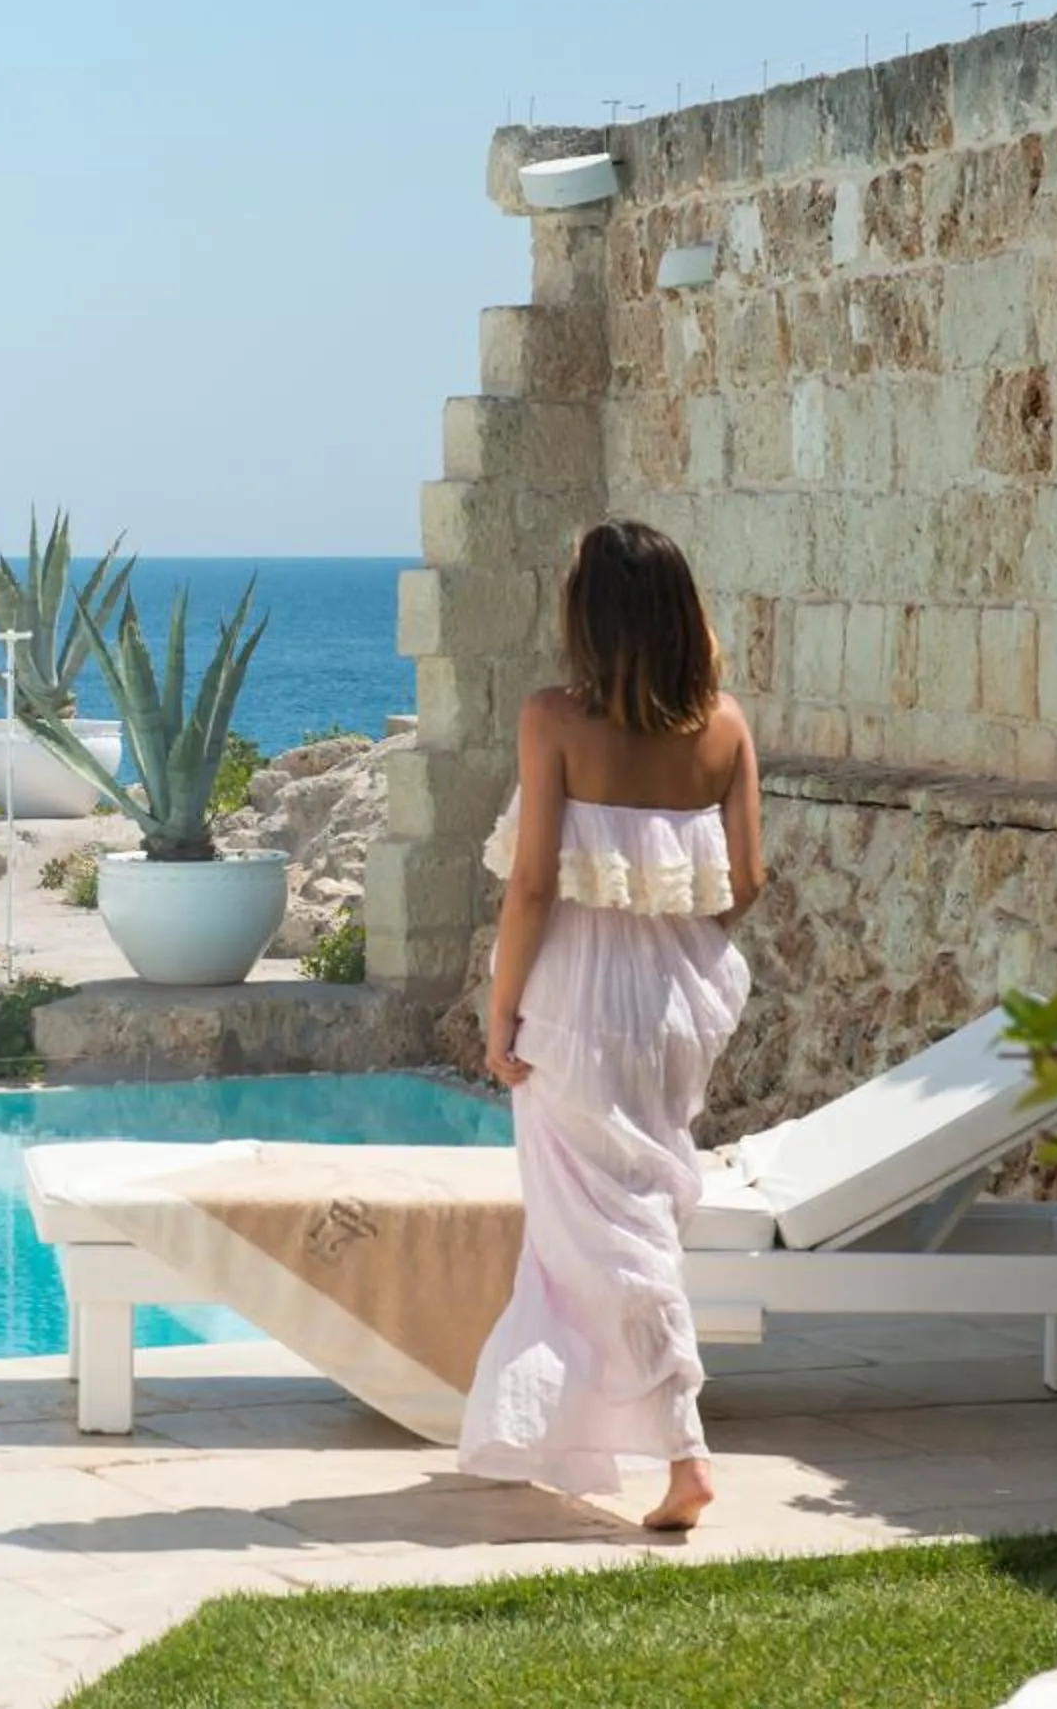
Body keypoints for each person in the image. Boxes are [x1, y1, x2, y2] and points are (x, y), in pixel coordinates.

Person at [457, 518, 765, 1532]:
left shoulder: (553, 719)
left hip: (581, 997)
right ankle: (568, 1427)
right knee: (615, 1209)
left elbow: (535, 883)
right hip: (684, 995)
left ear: (590, 618)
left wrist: (504, 1005)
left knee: (604, 1223)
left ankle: (683, 1447)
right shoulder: (724, 726)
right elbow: (748, 881)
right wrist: (668, 947)